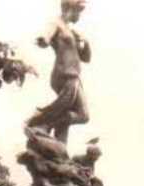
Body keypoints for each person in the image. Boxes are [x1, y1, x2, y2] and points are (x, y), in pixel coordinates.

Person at [27, 0, 90, 143]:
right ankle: (39, 121)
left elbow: (86, 58)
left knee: (84, 115)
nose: (79, 15)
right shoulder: (56, 23)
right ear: (70, 8)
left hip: (75, 76)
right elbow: (46, 36)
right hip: (64, 74)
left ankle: (59, 145)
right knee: (61, 107)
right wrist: (43, 40)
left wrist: (86, 43)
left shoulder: (72, 31)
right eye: (79, 11)